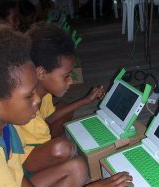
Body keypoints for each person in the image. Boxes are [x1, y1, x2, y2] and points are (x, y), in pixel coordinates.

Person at [0, 24, 133, 187]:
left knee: (67, 185)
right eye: (28, 96)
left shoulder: (2, 125)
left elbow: (16, 176)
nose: (37, 101)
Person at [15, 22, 105, 174]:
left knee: (63, 108)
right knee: (64, 149)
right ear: (41, 73)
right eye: (66, 76)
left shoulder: (43, 92)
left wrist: (85, 101)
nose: (70, 81)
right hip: (22, 167)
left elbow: (49, 118)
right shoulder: (27, 109)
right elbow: (44, 127)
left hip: (37, 139)